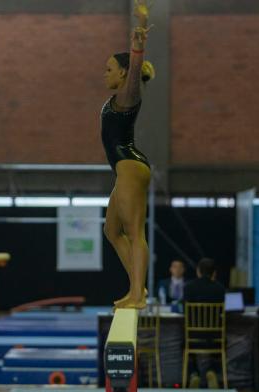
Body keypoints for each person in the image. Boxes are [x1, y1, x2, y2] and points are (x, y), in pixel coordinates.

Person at [102, 0, 155, 309]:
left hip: (131, 166)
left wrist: (138, 47)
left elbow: (135, 73)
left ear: (123, 73)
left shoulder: (127, 95)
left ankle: (137, 294)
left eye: (109, 69)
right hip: (124, 169)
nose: (104, 73)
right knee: (111, 230)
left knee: (135, 232)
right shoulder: (116, 98)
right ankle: (138, 288)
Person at [183, 258, 225, 389]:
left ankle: (193, 373)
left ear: (198, 272)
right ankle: (211, 371)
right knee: (222, 346)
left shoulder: (188, 288)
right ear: (214, 273)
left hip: (193, 336)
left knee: (183, 343)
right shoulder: (220, 289)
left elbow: (184, 310)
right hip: (214, 337)